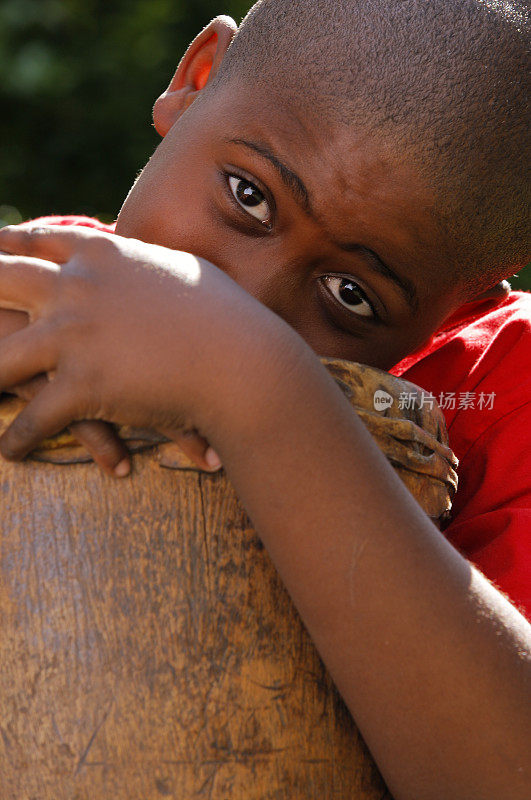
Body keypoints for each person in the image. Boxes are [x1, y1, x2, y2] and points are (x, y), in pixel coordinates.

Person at [0, 1, 529, 797]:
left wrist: (249, 379)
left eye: (351, 294)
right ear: (196, 78)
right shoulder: (41, 284)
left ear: (459, 305)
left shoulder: (498, 395)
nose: (243, 297)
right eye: (247, 196)